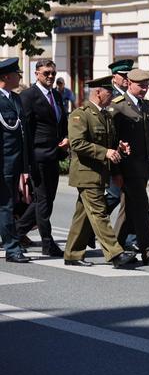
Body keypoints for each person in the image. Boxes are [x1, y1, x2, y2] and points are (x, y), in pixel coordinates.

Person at [63, 76, 135, 268]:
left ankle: (72, 253)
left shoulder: (106, 115)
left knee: (84, 215)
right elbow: (77, 143)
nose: (112, 96)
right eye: (109, 92)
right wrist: (106, 152)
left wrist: (119, 148)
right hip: (86, 173)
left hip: (99, 173)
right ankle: (115, 253)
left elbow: (108, 144)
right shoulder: (81, 114)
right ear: (98, 93)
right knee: (99, 213)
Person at [108, 69, 149, 266]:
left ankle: (115, 250)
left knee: (129, 211)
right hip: (126, 167)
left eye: (146, 85)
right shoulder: (117, 107)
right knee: (141, 208)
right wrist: (115, 172)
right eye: (140, 85)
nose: (144, 89)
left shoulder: (146, 107)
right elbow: (111, 141)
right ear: (128, 83)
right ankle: (148, 250)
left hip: (141, 168)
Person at [14, 59, 69, 257]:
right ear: (37, 73)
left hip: (54, 154)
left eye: (53, 73)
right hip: (37, 155)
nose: (50, 77)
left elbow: (61, 121)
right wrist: (25, 164)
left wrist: (65, 138)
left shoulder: (56, 94)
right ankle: (47, 243)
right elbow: (24, 131)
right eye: (46, 73)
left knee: (46, 200)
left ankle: (16, 232)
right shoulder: (28, 96)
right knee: (43, 200)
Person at [0, 58, 31, 263]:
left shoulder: (15, 99)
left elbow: (22, 133)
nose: (20, 77)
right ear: (5, 77)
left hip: (15, 162)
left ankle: (12, 243)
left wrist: (25, 166)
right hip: (3, 163)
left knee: (8, 205)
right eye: (17, 74)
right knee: (6, 206)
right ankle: (12, 249)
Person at [102, 59, 135, 248]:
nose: (126, 79)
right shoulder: (111, 98)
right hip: (115, 157)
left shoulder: (131, 96)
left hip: (130, 158)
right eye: (123, 75)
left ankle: (129, 238)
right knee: (114, 196)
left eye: (128, 75)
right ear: (114, 77)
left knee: (130, 199)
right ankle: (91, 227)